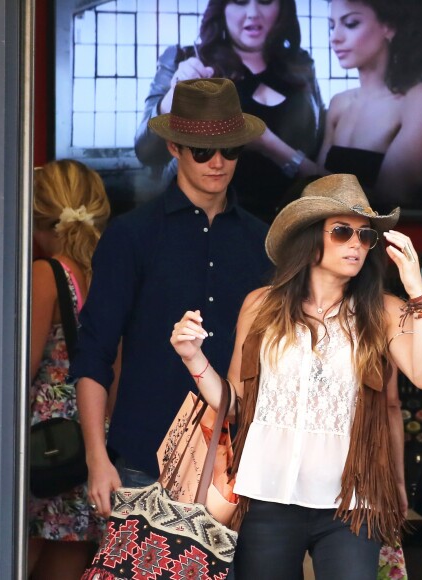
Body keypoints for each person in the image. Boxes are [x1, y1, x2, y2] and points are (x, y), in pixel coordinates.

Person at [171, 173, 422, 579]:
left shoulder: (384, 310)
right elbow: (235, 402)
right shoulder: (260, 305)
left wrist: (416, 292)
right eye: (342, 232)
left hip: (350, 503)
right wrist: (193, 357)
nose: (356, 244)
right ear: (309, 237)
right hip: (266, 495)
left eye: (366, 237)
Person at [72, 78, 273, 520]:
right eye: (203, 151)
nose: (218, 162)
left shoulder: (263, 242)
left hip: (242, 467)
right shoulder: (132, 236)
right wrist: (96, 458)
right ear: (174, 148)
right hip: (144, 460)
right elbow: (94, 354)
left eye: (230, 150)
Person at [134, 0, 325, 224]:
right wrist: (172, 100)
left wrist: (268, 144)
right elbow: (147, 153)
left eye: (265, 1)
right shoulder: (185, 60)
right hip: (204, 227)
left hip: (293, 228)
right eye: (240, 2)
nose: (253, 13)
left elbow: (317, 154)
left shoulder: (300, 65)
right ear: (221, 8)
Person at [29, 159, 111, 579]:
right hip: (87, 443)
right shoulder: (105, 272)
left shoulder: (46, 275)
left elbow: (20, 370)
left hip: (45, 445)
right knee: (70, 557)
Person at [317, 0, 422, 213]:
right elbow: (318, 183)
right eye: (332, 26)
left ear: (389, 27)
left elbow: (392, 198)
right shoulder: (339, 103)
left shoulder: (419, 98)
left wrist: (280, 151)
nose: (335, 37)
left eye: (350, 24)